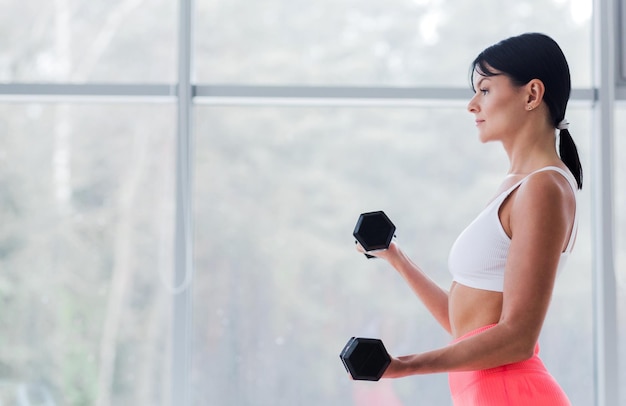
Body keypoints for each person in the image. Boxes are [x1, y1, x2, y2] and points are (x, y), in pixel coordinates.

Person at [355, 33, 582, 405]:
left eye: (486, 90)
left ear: (531, 94)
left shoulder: (544, 188)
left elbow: (518, 338)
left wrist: (405, 365)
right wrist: (396, 257)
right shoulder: (520, 186)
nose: (472, 105)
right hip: (487, 392)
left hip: (512, 393)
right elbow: (466, 328)